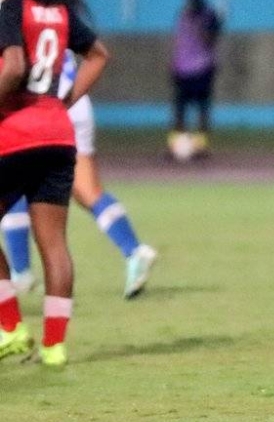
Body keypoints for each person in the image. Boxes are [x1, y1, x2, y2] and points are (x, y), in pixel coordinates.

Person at [0, 0, 109, 366]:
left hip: (15, 133)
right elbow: (100, 54)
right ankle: (55, 347)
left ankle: (10, 329)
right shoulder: (58, 8)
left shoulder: (11, 6)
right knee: (55, 244)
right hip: (57, 134)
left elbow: (13, 64)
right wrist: (64, 98)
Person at [1, 47, 157, 300]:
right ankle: (134, 250)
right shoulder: (55, 10)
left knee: (12, 180)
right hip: (74, 100)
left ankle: (21, 273)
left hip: (40, 105)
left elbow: (15, 67)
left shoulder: (14, 14)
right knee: (87, 190)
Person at [169, 0, 222, 161]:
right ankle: (176, 147)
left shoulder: (210, 16)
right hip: (182, 68)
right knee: (179, 111)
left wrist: (202, 28)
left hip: (202, 68)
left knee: (202, 110)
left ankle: (200, 148)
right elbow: (179, 42)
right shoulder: (182, 14)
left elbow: (211, 40)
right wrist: (173, 64)